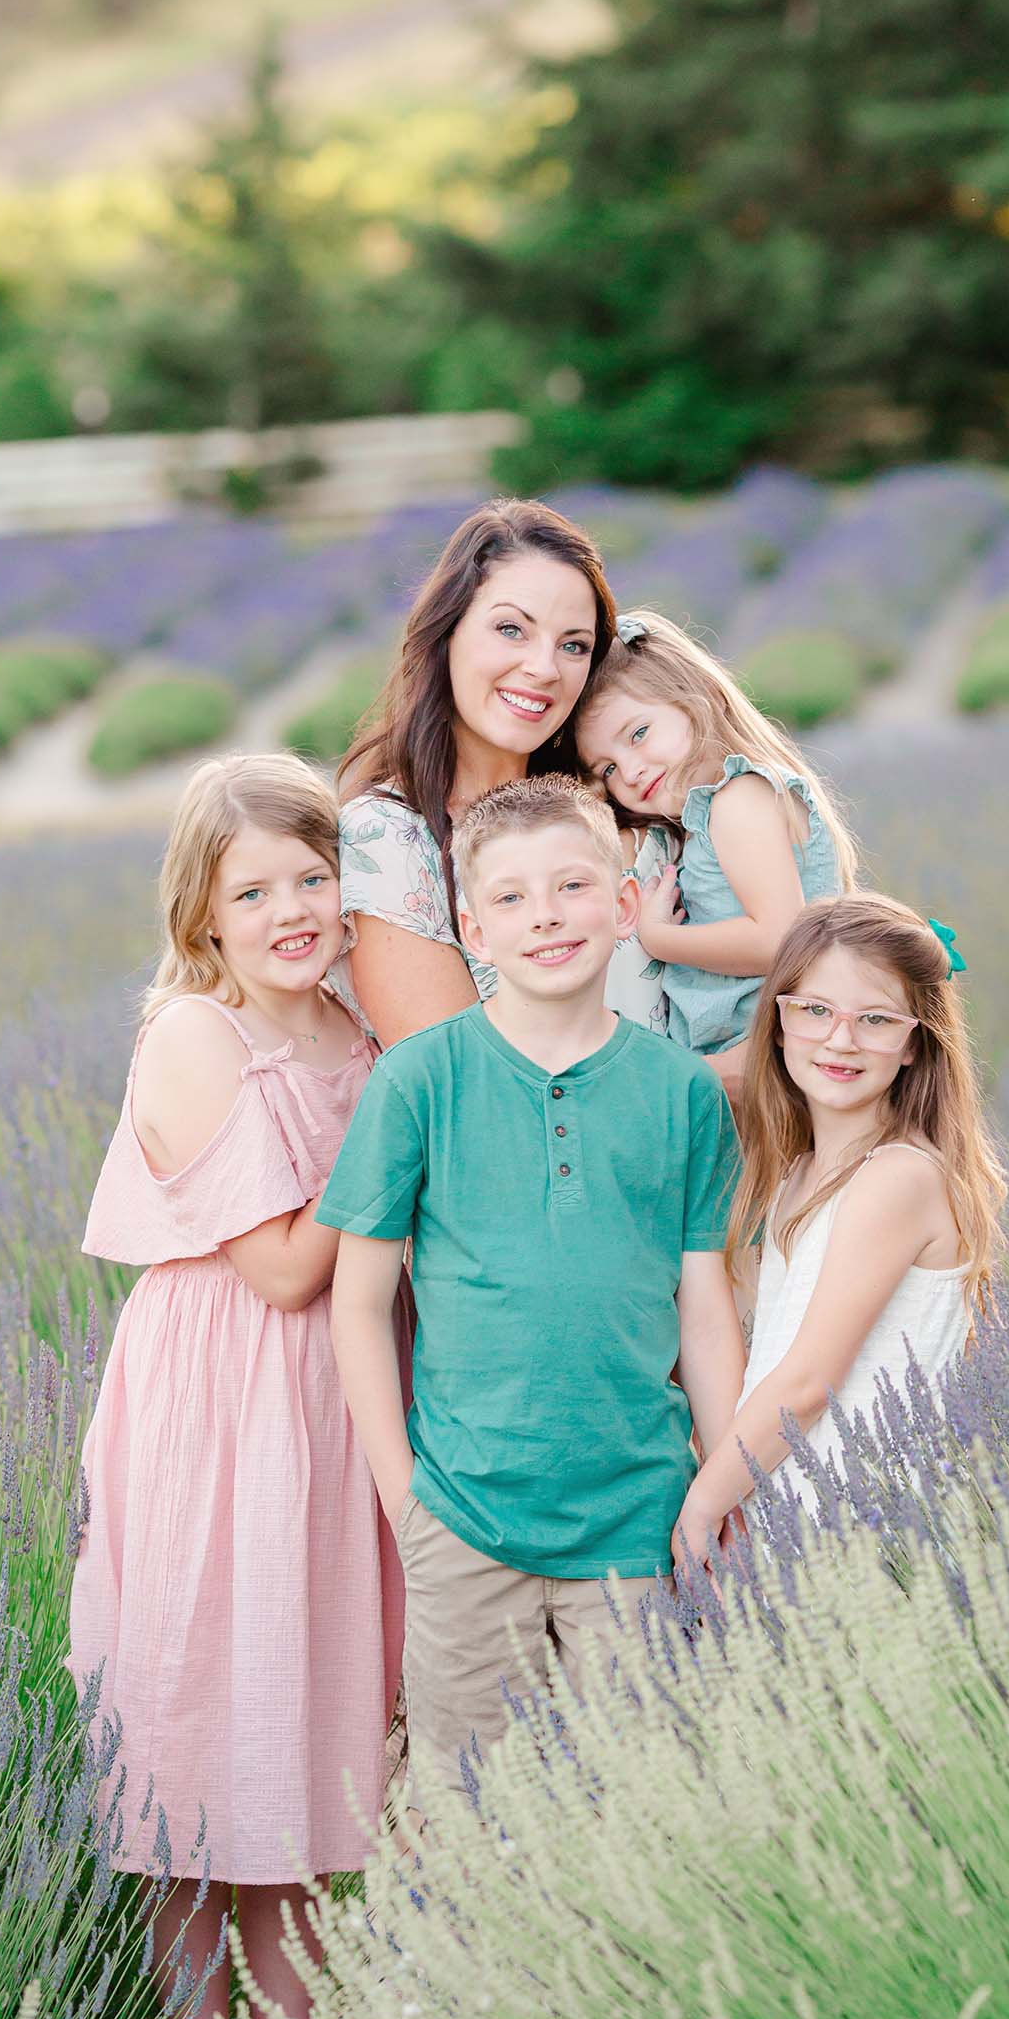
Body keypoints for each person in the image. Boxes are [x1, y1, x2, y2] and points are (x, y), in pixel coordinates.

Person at [318, 775, 745, 1810]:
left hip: (640, 1518)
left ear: (624, 900)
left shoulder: (682, 1089)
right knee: (468, 1823)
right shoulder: (420, 1079)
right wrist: (401, 1491)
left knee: (645, 1813)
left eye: (571, 885)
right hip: (467, 1515)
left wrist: (727, 1483)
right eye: (510, 898)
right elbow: (359, 1300)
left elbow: (703, 1301)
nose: (545, 914)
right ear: (470, 925)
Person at [69, 754, 411, 2019]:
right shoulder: (197, 1032)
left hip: (345, 1397)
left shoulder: (354, 1023)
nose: (291, 909)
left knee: (314, 1726)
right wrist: (396, 1118)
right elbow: (274, 1270)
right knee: (216, 1717)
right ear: (203, 912)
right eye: (253, 887)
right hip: (226, 1409)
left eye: (314, 876)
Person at [674, 893, 1006, 1547]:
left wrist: (703, 1506)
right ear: (777, 1020)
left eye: (876, 1020)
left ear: (915, 1043)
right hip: (801, 1512)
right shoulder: (797, 1172)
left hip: (873, 1522)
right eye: (815, 1011)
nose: (839, 1039)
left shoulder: (894, 1177)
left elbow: (806, 1382)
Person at [337, 498, 673, 1046]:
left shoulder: (620, 802)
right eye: (512, 630)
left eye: (573, 645)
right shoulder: (390, 837)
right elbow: (464, 1087)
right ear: (447, 634)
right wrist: (709, 1084)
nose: (544, 668)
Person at [575, 610, 857, 1062]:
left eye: (639, 734)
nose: (629, 771)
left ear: (699, 696)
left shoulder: (738, 800)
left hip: (767, 1054)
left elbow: (779, 939)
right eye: (607, 768)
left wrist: (658, 937)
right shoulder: (704, 821)